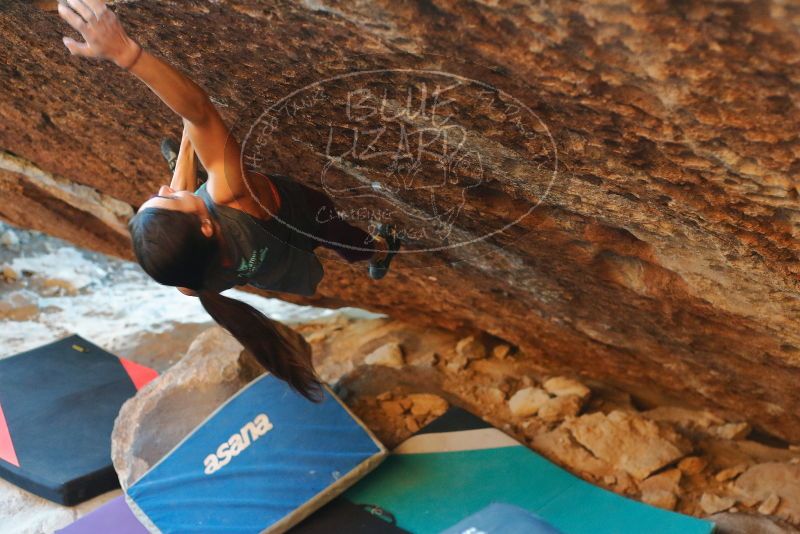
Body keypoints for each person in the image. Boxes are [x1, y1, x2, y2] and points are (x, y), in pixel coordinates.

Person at [57, 0, 401, 400]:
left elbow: (185, 175)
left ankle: (192, 166)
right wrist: (124, 53)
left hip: (266, 263)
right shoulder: (232, 193)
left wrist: (188, 150)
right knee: (343, 237)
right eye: (168, 199)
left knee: (191, 169)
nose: (167, 188)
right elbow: (201, 112)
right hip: (301, 214)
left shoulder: (193, 283)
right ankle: (379, 254)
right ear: (205, 225)